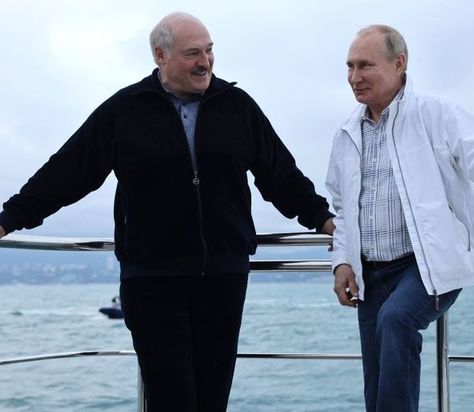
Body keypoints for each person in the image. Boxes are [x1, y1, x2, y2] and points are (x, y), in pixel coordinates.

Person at [0, 12, 334, 411]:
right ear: (160, 55)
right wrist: (8, 219)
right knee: (171, 401)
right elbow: (67, 172)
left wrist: (325, 220)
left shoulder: (238, 107)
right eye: (193, 53)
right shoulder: (126, 110)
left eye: (209, 51)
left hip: (224, 279)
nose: (205, 62)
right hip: (153, 280)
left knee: (211, 401)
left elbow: (281, 176)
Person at [326, 24, 474, 411]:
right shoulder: (347, 135)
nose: (354, 76)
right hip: (370, 274)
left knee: (397, 320)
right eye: (350, 66)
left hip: (427, 266)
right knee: (376, 384)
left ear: (399, 63)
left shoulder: (437, 116)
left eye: (365, 65)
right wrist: (342, 261)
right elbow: (343, 207)